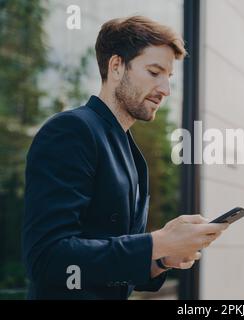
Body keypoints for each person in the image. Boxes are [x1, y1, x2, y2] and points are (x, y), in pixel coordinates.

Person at [22, 15, 228, 299]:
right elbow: (48, 259)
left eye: (168, 77)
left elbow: (111, 267)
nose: (165, 90)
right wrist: (157, 243)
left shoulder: (131, 152)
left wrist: (161, 259)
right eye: (154, 72)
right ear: (116, 66)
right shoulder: (71, 131)